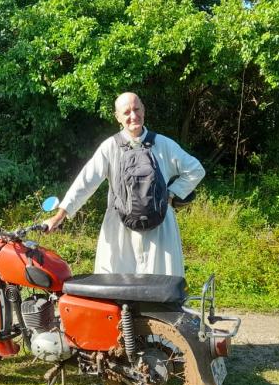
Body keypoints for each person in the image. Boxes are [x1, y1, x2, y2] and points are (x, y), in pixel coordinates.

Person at [42, 92, 205, 276]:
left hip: (159, 225)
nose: (133, 116)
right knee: (118, 292)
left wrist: (170, 194)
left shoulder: (164, 144)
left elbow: (195, 170)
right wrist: (59, 216)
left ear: (143, 110)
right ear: (117, 117)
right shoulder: (110, 147)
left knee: (161, 290)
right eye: (126, 112)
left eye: (136, 109)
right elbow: (86, 182)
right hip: (120, 225)